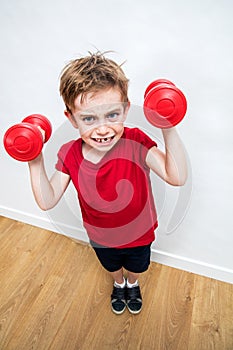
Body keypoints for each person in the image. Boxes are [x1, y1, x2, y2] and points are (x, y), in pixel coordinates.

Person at [28, 52, 187, 315]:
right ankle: (119, 284)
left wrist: (167, 125)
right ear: (72, 119)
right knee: (112, 267)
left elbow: (177, 176)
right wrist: (34, 161)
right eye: (89, 119)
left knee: (137, 266)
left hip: (139, 234)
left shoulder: (136, 141)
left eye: (112, 115)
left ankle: (132, 284)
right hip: (101, 237)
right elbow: (47, 199)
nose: (102, 129)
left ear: (126, 109)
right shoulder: (69, 153)